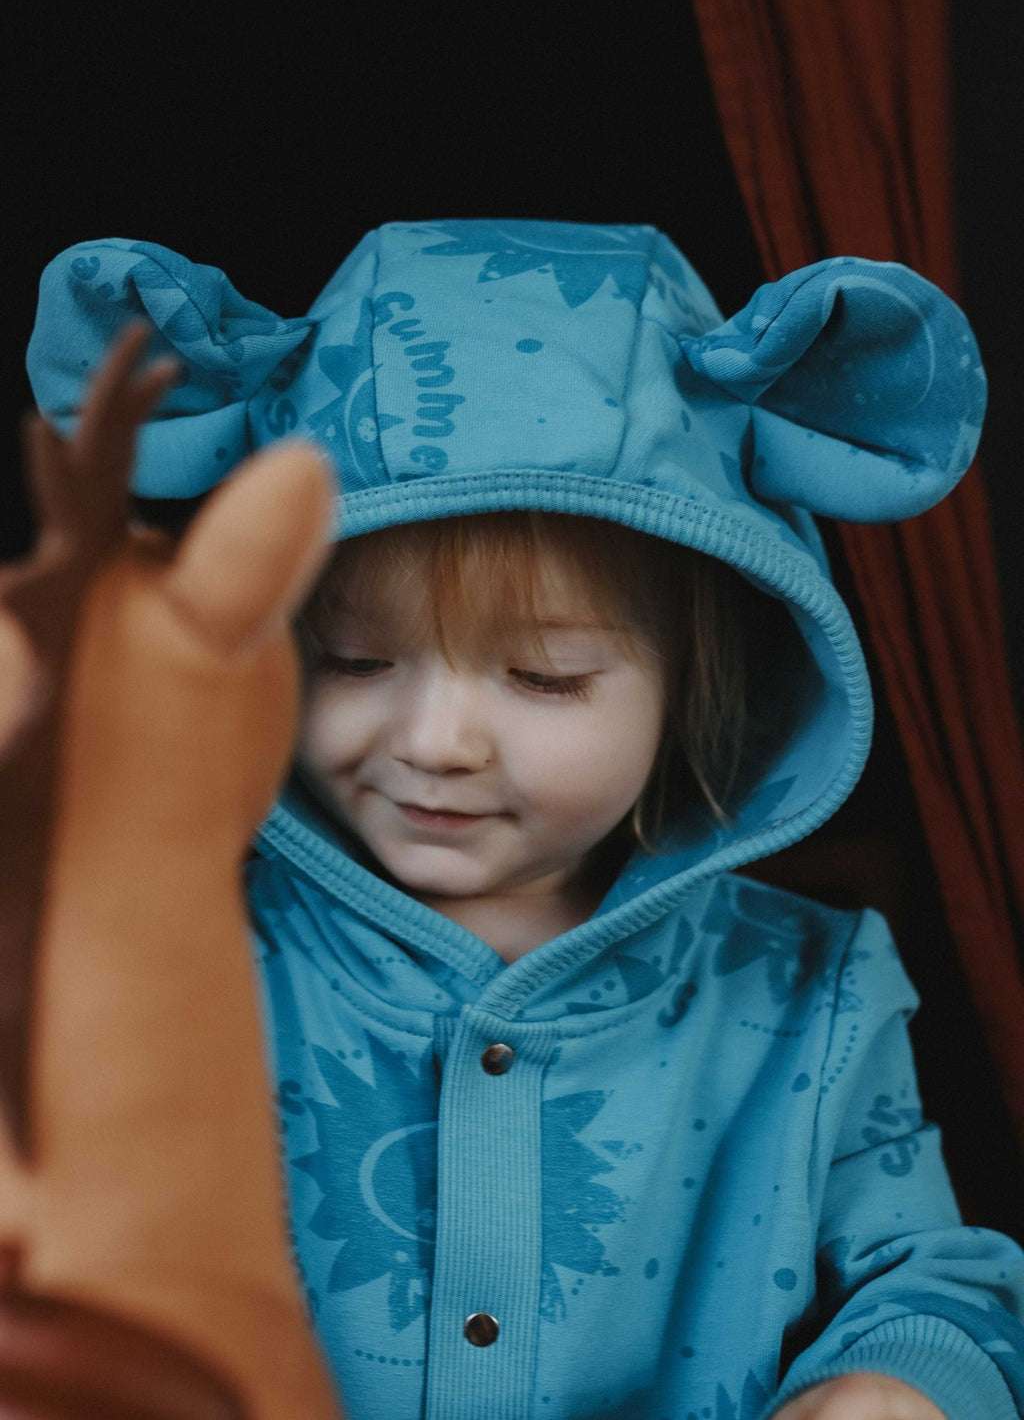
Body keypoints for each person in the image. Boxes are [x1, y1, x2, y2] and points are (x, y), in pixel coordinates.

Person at [25, 220, 1024, 1420]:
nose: (435, 740)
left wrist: (897, 1382)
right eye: (350, 658)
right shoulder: (162, 953)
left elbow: (929, 1278)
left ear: (699, 682)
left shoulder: (810, 995)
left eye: (543, 676)